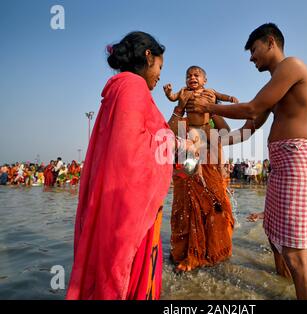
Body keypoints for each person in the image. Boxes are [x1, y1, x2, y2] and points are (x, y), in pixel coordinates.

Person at [187, 23, 307, 299]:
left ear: (270, 41)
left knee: (297, 255)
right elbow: (248, 128)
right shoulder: (275, 85)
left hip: (298, 161)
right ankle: (285, 288)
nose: (251, 57)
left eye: (253, 49)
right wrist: (207, 142)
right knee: (275, 239)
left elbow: (251, 107)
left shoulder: (292, 66)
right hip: (282, 165)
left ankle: (299, 283)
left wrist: (208, 107)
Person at [66, 31, 192, 300]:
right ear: (148, 56)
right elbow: (131, 151)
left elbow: (139, 139)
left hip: (115, 202)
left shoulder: (120, 88)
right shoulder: (133, 87)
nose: (159, 75)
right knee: (127, 277)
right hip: (127, 207)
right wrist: (179, 145)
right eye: (160, 66)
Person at [167, 74, 235, 273]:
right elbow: (170, 134)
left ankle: (216, 251)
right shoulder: (184, 120)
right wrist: (179, 106)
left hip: (210, 171)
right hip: (186, 172)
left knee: (214, 208)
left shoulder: (211, 120)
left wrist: (212, 109)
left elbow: (226, 131)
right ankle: (187, 253)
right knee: (185, 211)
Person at [164, 66, 238, 187]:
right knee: (196, 150)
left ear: (205, 81)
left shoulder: (210, 93)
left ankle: (221, 168)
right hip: (193, 128)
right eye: (188, 76)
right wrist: (169, 94)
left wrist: (229, 98)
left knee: (217, 143)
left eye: (196, 75)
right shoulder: (184, 93)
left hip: (206, 126)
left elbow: (221, 96)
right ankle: (200, 174)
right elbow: (173, 97)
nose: (192, 77)